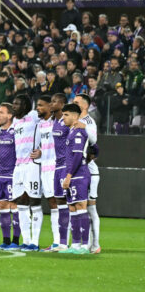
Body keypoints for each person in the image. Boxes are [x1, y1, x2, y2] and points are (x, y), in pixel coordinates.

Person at [58, 103, 92, 255]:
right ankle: (76, 244)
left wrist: (69, 176)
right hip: (71, 174)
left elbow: (78, 155)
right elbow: (94, 149)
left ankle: (85, 245)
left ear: (75, 116)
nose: (63, 117)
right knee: (72, 208)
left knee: (81, 207)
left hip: (78, 175)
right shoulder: (72, 131)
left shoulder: (78, 132)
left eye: (66, 115)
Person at [11, 94, 42, 251]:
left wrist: (42, 150)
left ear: (25, 106)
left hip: (32, 165)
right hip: (18, 166)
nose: (14, 106)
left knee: (34, 202)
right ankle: (27, 240)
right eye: (13, 103)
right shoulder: (15, 121)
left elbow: (47, 128)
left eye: (17, 104)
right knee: (20, 203)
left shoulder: (34, 116)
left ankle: (35, 242)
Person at [74, 93, 101, 254]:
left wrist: (82, 127)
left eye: (77, 102)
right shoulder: (72, 120)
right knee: (78, 208)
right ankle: (84, 242)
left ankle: (95, 243)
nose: (73, 103)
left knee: (90, 209)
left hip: (90, 172)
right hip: (77, 171)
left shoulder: (89, 122)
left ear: (85, 105)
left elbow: (93, 141)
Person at [33, 95, 59, 250]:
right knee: (52, 203)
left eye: (41, 105)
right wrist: (41, 151)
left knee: (58, 203)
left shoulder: (58, 122)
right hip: (45, 167)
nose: (38, 108)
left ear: (50, 107)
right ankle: (57, 241)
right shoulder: (41, 123)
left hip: (56, 167)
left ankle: (60, 241)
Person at [46, 93, 71, 251]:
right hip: (57, 166)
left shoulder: (68, 122)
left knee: (73, 205)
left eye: (54, 101)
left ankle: (78, 242)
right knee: (60, 203)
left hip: (67, 166)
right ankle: (62, 242)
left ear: (62, 104)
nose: (51, 104)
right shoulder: (54, 121)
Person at [0, 103, 18, 249]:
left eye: (2, 113)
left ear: (10, 115)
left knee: (14, 206)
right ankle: (6, 240)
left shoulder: (15, 131)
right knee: (2, 206)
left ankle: (15, 240)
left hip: (12, 175)